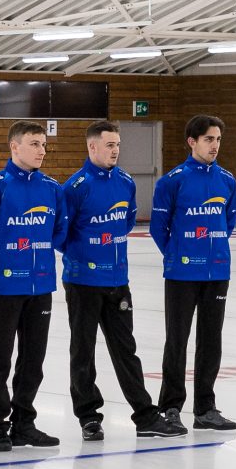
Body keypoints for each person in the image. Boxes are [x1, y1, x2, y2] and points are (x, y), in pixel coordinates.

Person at [60, 120, 173, 441]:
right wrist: (85, 255)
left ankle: (145, 415)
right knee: (83, 351)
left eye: (118, 145)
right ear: (92, 147)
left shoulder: (125, 182)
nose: (115, 151)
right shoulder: (75, 187)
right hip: (82, 282)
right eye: (109, 145)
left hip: (117, 280)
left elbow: (125, 222)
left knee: (126, 350)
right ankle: (89, 417)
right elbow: (60, 235)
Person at [0, 120, 67, 450]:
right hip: (4, 287)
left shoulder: (52, 188)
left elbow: (60, 231)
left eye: (43, 144)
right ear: (15, 147)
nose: (41, 150)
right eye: (34, 144)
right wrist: (2, 260)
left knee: (33, 359)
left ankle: (24, 422)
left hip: (41, 287)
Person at [150, 115, 236, 432]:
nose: (214, 145)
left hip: (217, 272)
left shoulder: (227, 180)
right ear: (192, 141)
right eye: (208, 140)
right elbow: (159, 229)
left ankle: (206, 408)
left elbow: (227, 224)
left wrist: (212, 253)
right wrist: (179, 255)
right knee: (177, 340)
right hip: (181, 274)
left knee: (211, 341)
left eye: (217, 140)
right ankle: (170, 407)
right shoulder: (171, 181)